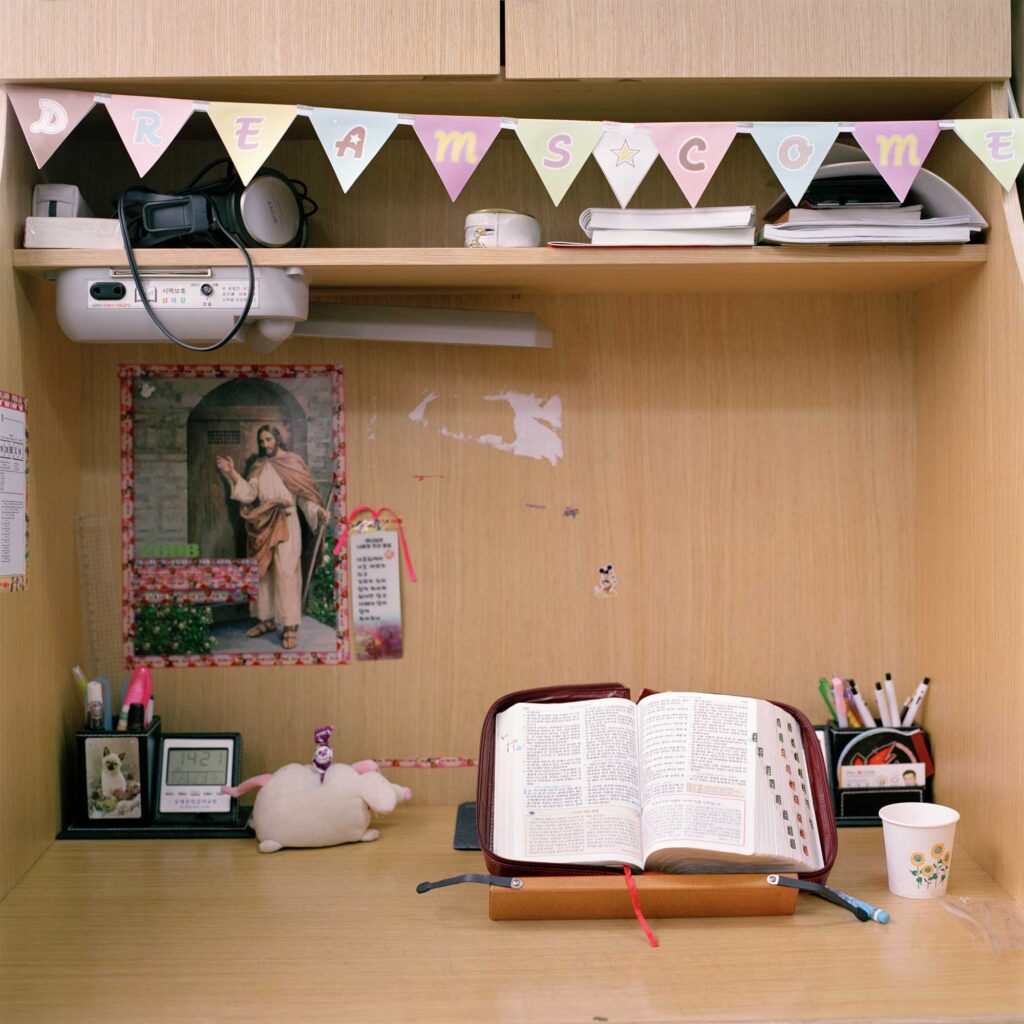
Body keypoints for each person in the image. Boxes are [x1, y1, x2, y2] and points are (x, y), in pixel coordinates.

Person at [216, 425, 326, 650]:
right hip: (263, 523)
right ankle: (266, 620)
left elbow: (305, 498)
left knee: (286, 573)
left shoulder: (292, 463)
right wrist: (231, 471)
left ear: (277, 438)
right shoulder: (259, 466)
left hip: (287, 522)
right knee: (264, 573)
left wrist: (317, 512)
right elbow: (249, 494)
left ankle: (289, 626)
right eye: (261, 441)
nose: (265, 444)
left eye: (268, 439)